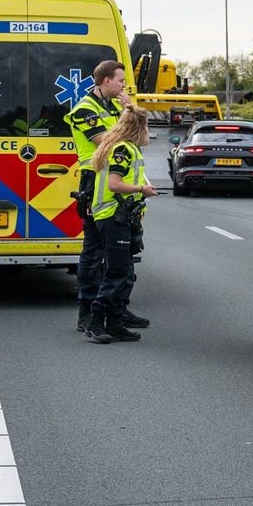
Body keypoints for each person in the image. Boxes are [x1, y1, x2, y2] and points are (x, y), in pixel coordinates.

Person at [65, 60, 147, 333]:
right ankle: (87, 311)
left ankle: (117, 310)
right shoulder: (84, 109)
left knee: (123, 251)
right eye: (121, 80)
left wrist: (128, 109)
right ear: (105, 81)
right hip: (95, 183)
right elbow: (107, 141)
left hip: (117, 180)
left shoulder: (114, 107)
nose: (124, 85)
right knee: (93, 251)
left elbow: (136, 138)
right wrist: (129, 117)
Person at [85, 106, 159, 344]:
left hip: (122, 217)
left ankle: (115, 324)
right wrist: (141, 190)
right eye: (147, 126)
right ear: (138, 128)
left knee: (124, 271)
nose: (149, 132)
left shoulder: (129, 149)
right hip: (112, 216)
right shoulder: (122, 151)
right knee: (117, 271)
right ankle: (95, 321)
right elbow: (114, 185)